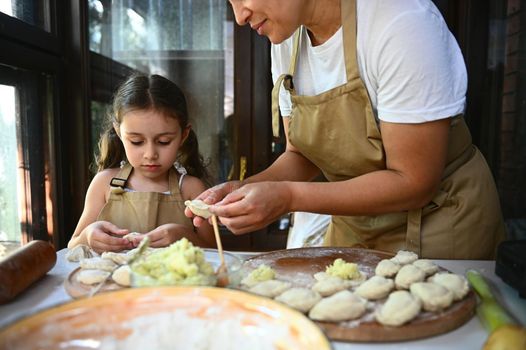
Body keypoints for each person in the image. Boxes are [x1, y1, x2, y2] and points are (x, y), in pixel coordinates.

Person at [187, 0, 506, 259]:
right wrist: (242, 189)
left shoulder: (401, 23)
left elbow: (414, 181)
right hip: (354, 229)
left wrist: (287, 197)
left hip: (439, 224)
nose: (240, 15)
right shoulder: (286, 42)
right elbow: (301, 155)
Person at [69, 74, 215, 253]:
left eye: (163, 141)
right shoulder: (103, 183)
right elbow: (73, 245)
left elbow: (214, 251)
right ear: (119, 132)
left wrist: (183, 235)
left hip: (176, 282)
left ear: (183, 135)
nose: (150, 154)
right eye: (137, 141)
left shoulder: (192, 189)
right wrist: (88, 236)